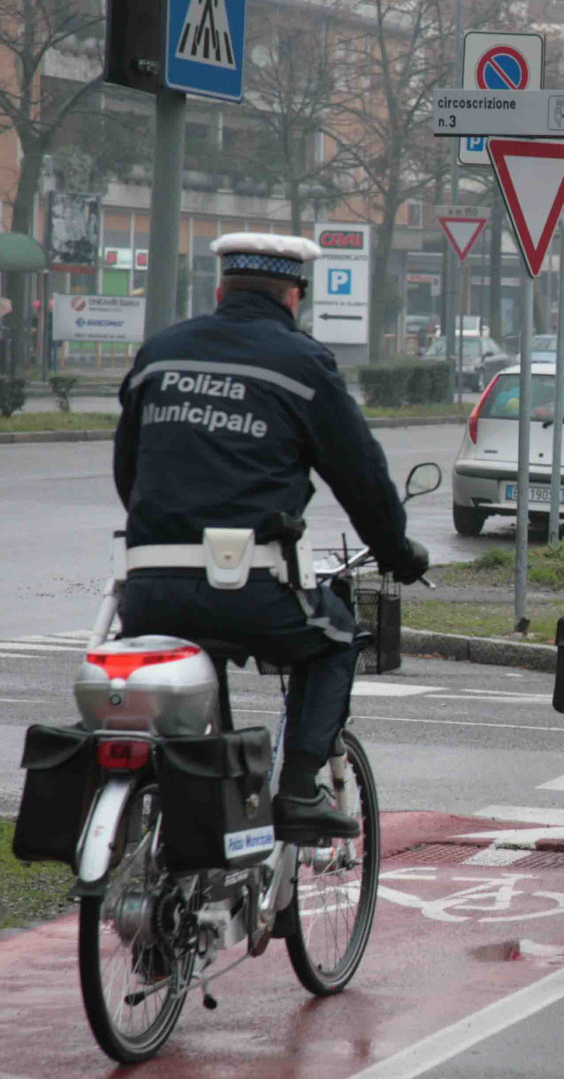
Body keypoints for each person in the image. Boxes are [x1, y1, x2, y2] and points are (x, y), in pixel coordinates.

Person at [114, 233, 429, 842]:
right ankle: (299, 789)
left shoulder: (159, 353)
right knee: (336, 639)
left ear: (218, 290)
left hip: (150, 589)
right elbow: (360, 477)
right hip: (252, 589)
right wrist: (398, 552)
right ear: (294, 297)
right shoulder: (303, 365)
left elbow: (129, 470)